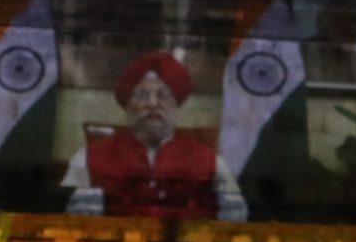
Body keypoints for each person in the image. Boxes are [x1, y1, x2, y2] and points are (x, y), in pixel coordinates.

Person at [62, 50, 245, 221]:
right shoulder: (89, 158)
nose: (152, 103)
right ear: (128, 105)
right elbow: (72, 224)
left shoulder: (209, 161)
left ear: (176, 103)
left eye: (162, 95)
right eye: (142, 95)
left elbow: (236, 221)